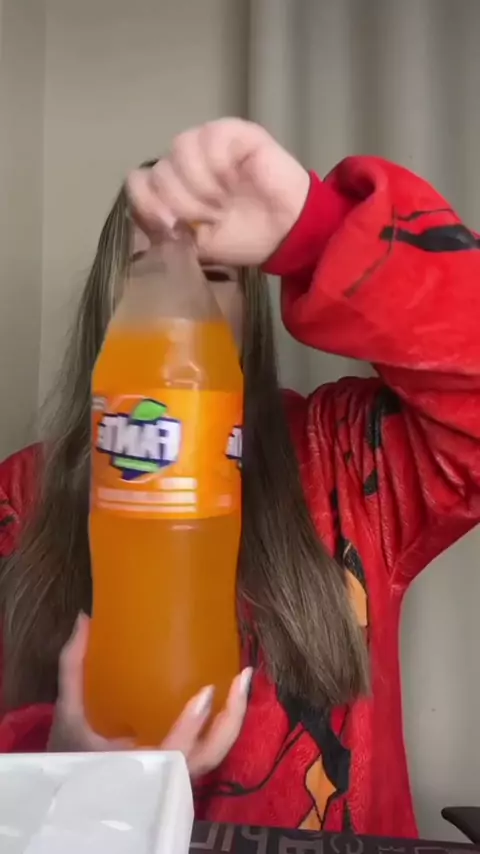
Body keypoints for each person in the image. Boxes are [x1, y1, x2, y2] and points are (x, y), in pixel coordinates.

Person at [0, 118, 479, 836]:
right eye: (150, 272)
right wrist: (58, 767)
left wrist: (315, 230)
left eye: (217, 274)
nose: (182, 299)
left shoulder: (347, 455)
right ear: (108, 304)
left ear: (249, 310)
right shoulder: (19, 499)